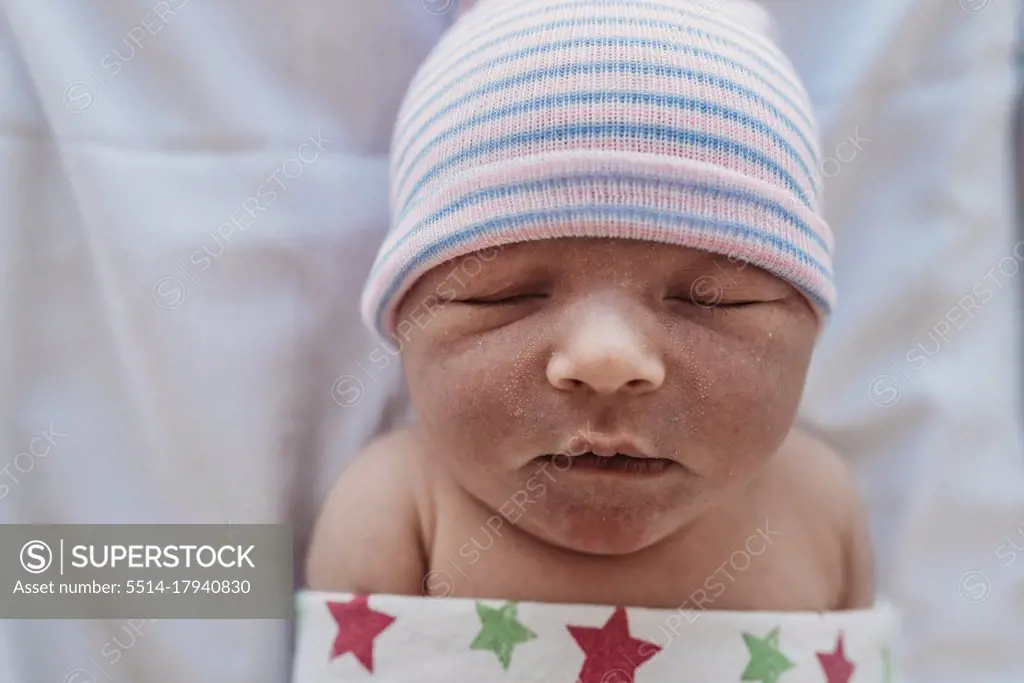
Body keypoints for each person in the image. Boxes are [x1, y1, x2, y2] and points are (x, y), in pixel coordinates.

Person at [295, 2, 897, 680]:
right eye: (506, 295)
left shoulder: (817, 511)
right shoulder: (401, 509)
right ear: (403, 322)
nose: (606, 359)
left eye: (713, 300)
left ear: (809, 325)